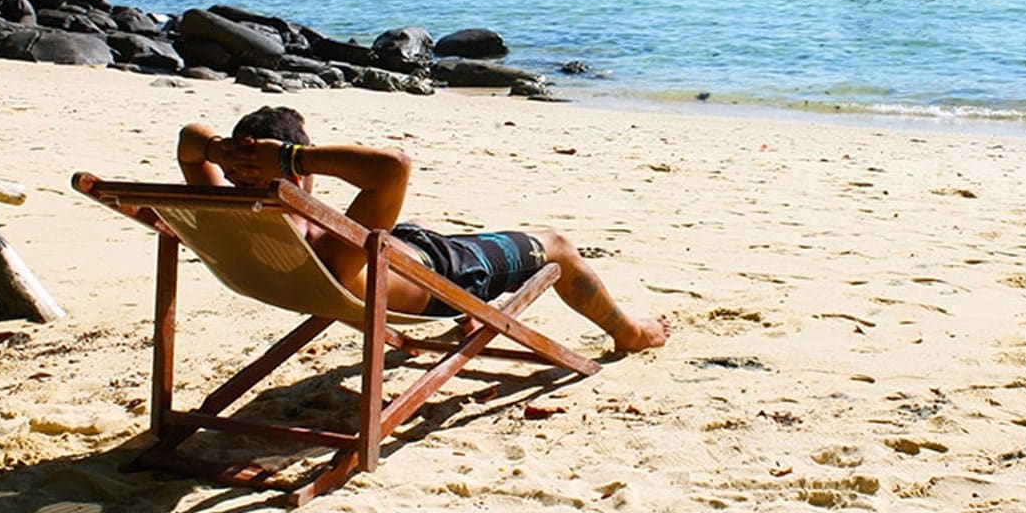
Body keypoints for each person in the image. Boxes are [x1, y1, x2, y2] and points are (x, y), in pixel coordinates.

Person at [176, 106, 670, 352]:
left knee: (413, 229)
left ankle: (472, 317)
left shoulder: (225, 212)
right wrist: (289, 157)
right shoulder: (327, 244)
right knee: (558, 245)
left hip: (403, 254)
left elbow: (190, 141)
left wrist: (225, 154)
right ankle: (630, 333)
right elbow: (394, 167)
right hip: (449, 278)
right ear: (300, 174)